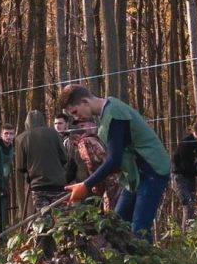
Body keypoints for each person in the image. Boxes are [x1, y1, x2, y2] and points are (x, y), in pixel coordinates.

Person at [60, 84, 171, 242]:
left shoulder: (114, 113)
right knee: (117, 223)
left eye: (75, 112)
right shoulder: (107, 112)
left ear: (85, 102)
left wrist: (86, 185)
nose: (76, 118)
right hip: (134, 175)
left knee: (139, 229)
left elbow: (114, 159)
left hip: (152, 170)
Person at [15, 110, 67, 210]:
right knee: (61, 218)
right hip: (58, 183)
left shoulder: (21, 138)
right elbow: (64, 158)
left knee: (44, 219)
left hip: (38, 185)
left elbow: (20, 167)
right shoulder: (54, 134)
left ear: (26, 122)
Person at [66, 119, 123, 211]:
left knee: (112, 216)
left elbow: (93, 164)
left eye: (83, 125)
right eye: (79, 127)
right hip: (117, 181)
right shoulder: (100, 138)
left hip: (108, 184)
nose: (81, 129)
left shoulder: (85, 142)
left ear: (92, 124)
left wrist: (94, 184)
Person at [172, 121, 197, 227]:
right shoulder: (186, 144)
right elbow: (186, 166)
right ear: (195, 133)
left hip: (191, 178)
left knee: (192, 206)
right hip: (180, 178)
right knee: (188, 205)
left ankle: (192, 235)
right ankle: (186, 237)